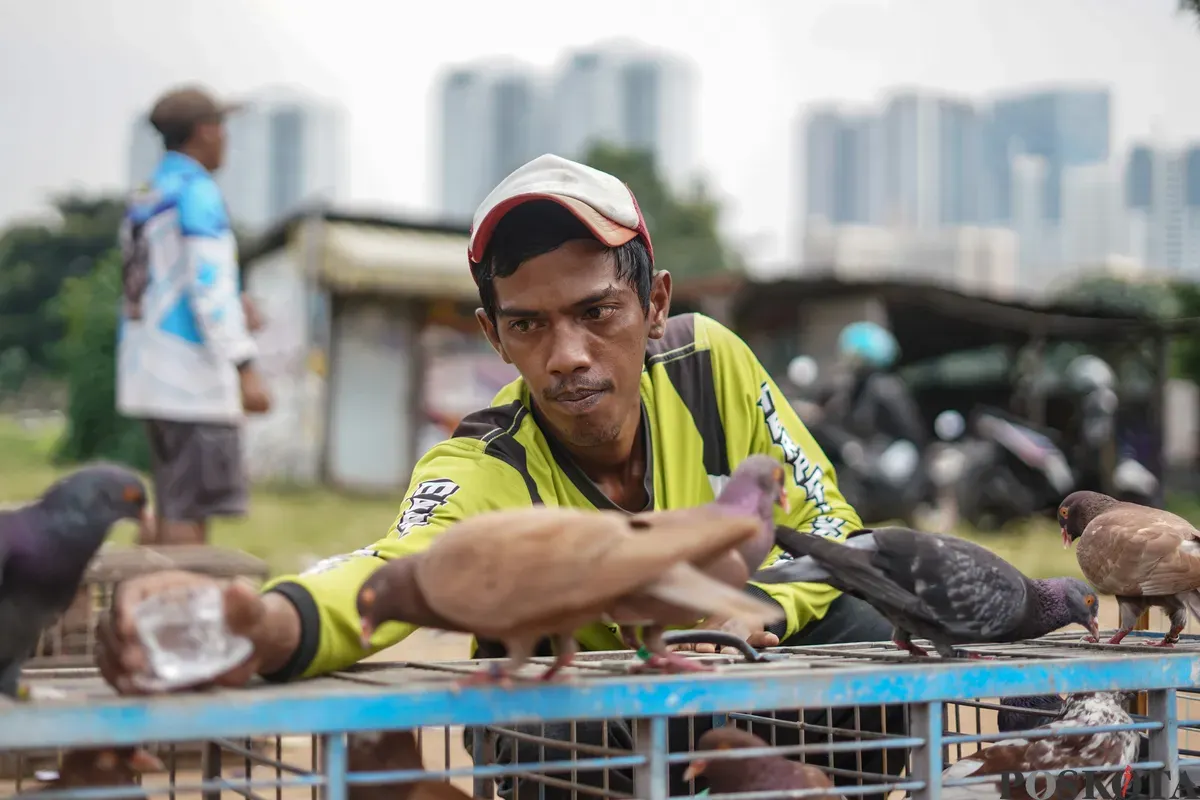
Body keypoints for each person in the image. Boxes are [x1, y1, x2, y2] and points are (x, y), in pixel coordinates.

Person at [98, 154, 909, 799]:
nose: (568, 357)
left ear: (655, 303)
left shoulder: (710, 365)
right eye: (530, 325)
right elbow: (389, 573)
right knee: (529, 733)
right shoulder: (486, 458)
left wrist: (748, 609)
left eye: (598, 313)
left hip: (744, 691)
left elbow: (831, 530)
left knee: (868, 641)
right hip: (601, 731)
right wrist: (262, 621)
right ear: (494, 336)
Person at [116, 85, 271, 547]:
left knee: (171, 502)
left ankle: (147, 607)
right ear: (204, 132)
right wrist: (245, 365)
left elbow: (161, 278)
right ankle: (177, 613)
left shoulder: (146, 194)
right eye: (222, 129)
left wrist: (235, 301)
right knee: (190, 515)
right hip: (192, 380)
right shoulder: (198, 193)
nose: (226, 139)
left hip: (148, 374)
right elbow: (209, 288)